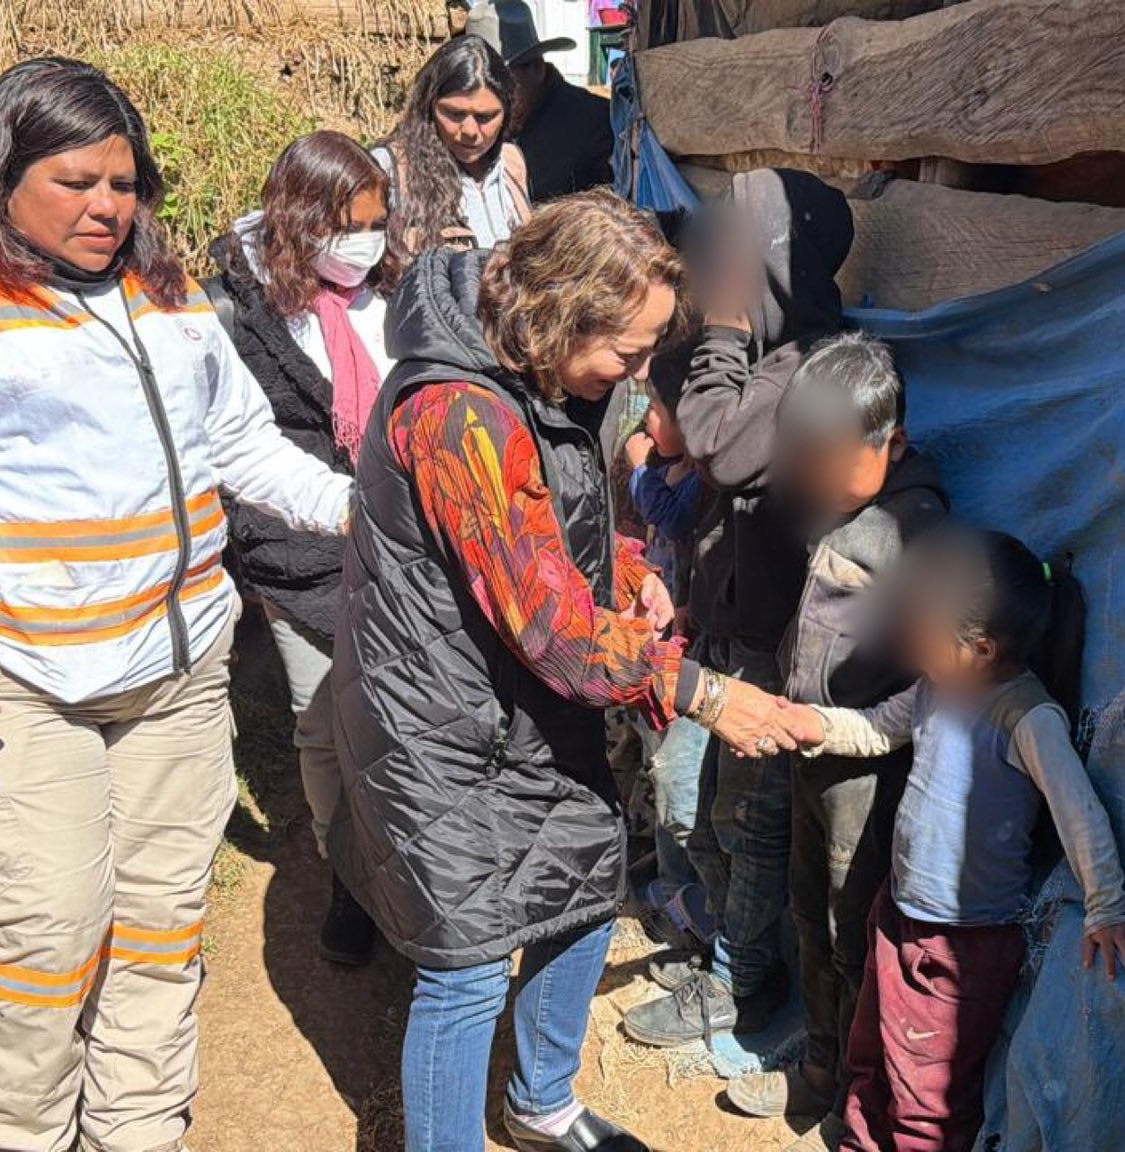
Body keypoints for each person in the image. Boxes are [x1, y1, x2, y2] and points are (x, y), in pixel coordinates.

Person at [0, 58, 353, 1152]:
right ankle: (18, 1134)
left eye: (123, 182)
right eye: (75, 182)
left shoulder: (166, 291)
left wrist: (363, 511)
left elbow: (241, 444)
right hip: (16, 681)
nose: (108, 206)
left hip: (176, 669)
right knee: (47, 931)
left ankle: (138, 1128)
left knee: (160, 925)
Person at [327, 190, 804, 1152]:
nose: (637, 373)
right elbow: (548, 622)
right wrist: (704, 693)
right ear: (562, 315)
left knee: (582, 886)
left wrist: (626, 574)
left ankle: (541, 1103)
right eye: (627, 352)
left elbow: (549, 530)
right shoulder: (458, 413)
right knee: (466, 959)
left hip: (516, 704)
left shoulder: (537, 378)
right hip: (435, 719)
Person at [782, 527, 1125, 1152]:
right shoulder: (935, 688)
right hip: (898, 913)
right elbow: (876, 730)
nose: (911, 649)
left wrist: (1106, 907)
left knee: (928, 1098)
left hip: (961, 946)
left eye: (923, 637)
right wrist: (810, 724)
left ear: (981, 649)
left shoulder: (1028, 718)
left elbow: (1078, 812)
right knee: (872, 1055)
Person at [625, 167, 856, 1046]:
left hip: (770, 644)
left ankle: (737, 981)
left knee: (747, 822)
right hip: (722, 626)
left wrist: (722, 330)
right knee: (694, 802)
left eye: (738, 250)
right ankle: (724, 947)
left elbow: (715, 446)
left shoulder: (812, 367)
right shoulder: (765, 356)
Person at [721, 332, 948, 1137]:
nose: (812, 480)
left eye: (829, 462)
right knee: (807, 908)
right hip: (808, 754)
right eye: (804, 462)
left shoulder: (918, 532)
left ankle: (851, 1086)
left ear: (894, 444)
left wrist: (840, 726)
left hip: (864, 773)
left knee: (850, 931)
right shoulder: (840, 509)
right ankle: (819, 1061)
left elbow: (934, 681)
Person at [205, 130, 402, 966]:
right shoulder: (239, 307)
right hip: (298, 554)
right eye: (349, 228)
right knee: (321, 726)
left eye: (378, 224)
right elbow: (239, 445)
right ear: (300, 221)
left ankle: (404, 870)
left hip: (399, 544)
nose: (367, 244)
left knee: (396, 718)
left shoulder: (393, 291)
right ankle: (348, 878)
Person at [624, 348, 720, 949]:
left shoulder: (699, 482)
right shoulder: (673, 468)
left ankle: (686, 901)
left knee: (679, 781)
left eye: (658, 408)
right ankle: (665, 881)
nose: (647, 420)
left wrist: (640, 468)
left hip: (685, 655)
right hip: (657, 647)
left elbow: (668, 514)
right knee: (657, 766)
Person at [373, 33, 531, 255]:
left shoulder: (511, 163)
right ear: (429, 107)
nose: (470, 131)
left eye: (485, 117)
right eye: (455, 114)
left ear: (506, 113)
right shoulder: (391, 167)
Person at [464, 0, 615, 202]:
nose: (487, 97)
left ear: (535, 68)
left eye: (498, 82)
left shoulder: (594, 121)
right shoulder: (469, 124)